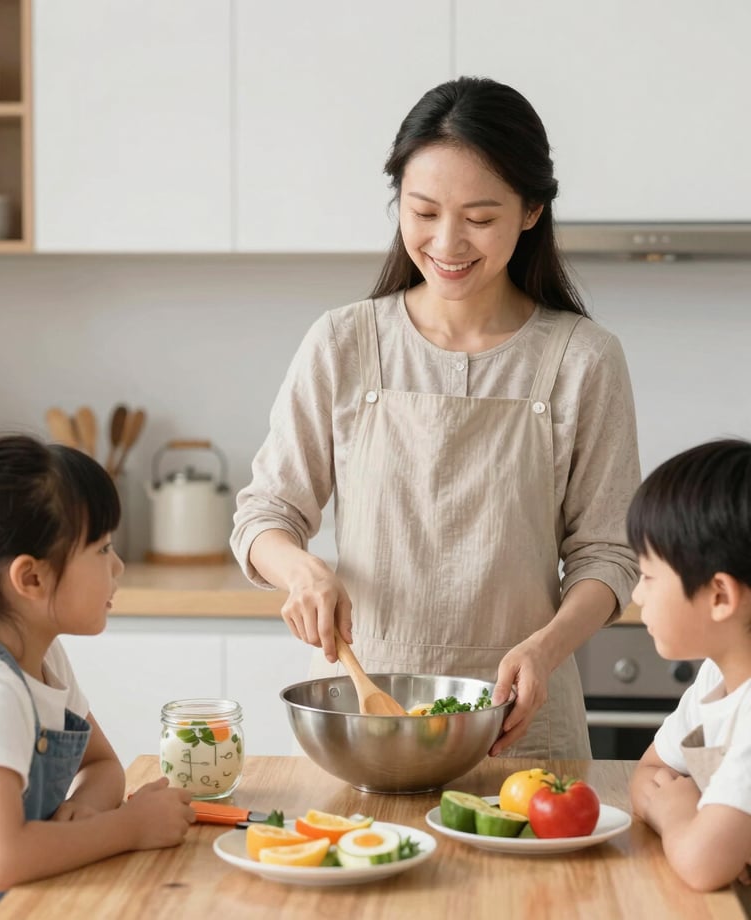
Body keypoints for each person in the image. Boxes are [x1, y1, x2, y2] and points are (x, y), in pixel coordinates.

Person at [231, 76, 640, 758]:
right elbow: (264, 515)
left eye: (480, 218)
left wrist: (544, 650)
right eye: (423, 212)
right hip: (364, 719)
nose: (448, 242)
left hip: (522, 730)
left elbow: (607, 555)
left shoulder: (583, 359)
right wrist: (304, 574)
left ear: (532, 209)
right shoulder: (344, 342)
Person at [0, 435, 195, 915]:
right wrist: (130, 827)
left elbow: (102, 766)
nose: (118, 566)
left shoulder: (46, 658)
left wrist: (88, 813)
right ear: (31, 579)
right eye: (101, 549)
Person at [627, 439, 751, 893]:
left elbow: (701, 865)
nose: (637, 597)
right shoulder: (716, 678)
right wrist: (701, 826)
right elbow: (647, 774)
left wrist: (677, 813)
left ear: (719, 595)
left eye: (648, 576)